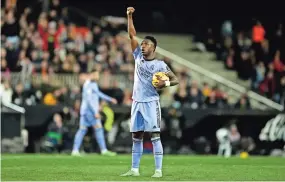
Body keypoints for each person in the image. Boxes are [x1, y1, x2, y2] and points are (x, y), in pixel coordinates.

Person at [120, 7, 179, 178]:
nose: (143, 45)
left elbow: (174, 79)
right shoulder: (137, 56)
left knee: (154, 136)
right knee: (136, 136)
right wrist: (129, 16)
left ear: (154, 47)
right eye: (143, 43)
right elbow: (132, 35)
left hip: (151, 102)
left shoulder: (160, 65)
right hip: (136, 101)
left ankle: (158, 170)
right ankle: (135, 170)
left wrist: (164, 82)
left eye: (146, 44)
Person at [71, 70, 117, 156]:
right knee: (98, 129)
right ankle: (103, 150)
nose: (98, 76)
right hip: (89, 111)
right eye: (96, 75)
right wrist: (95, 112)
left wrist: (110, 99)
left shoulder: (93, 84)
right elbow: (88, 100)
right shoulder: (88, 84)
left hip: (85, 111)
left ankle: (75, 150)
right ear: (91, 75)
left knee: (82, 130)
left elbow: (99, 94)